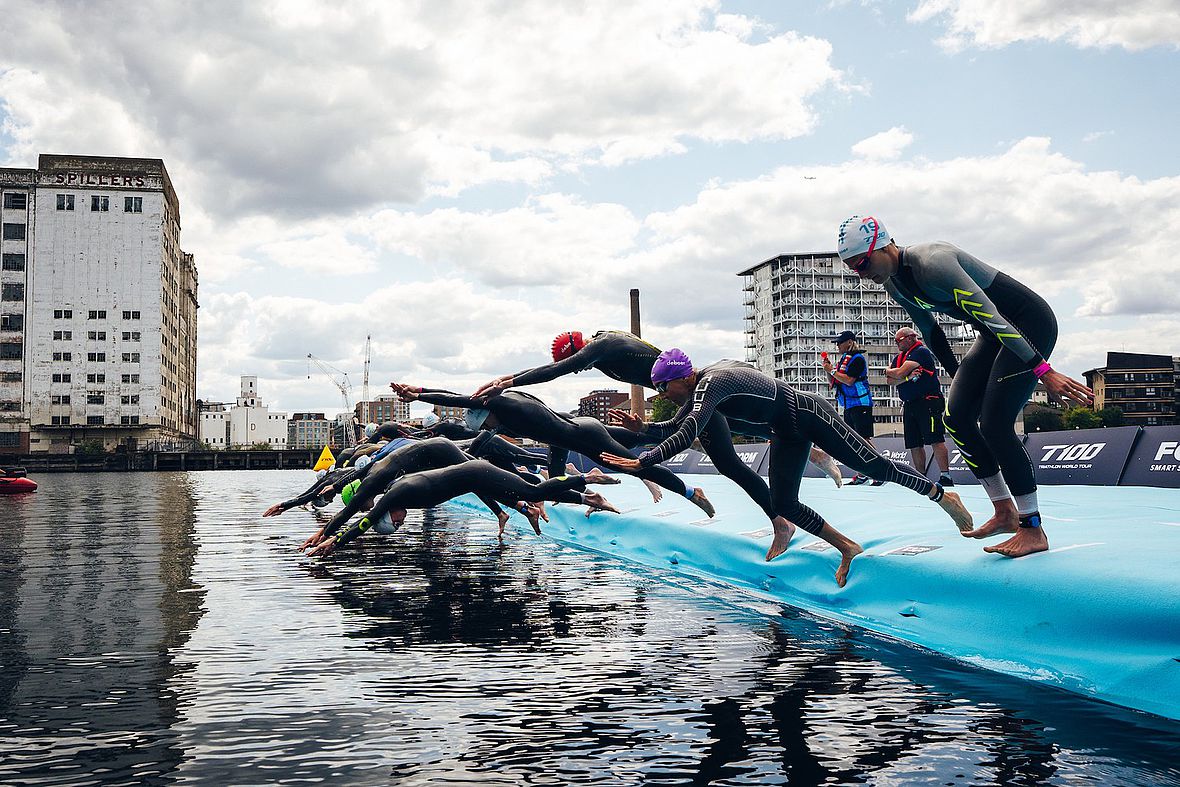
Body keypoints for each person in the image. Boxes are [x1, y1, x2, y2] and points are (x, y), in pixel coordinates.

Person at [601, 349, 974, 587]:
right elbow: (675, 427)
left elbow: (688, 432)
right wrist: (645, 431)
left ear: (683, 378)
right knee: (783, 504)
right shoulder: (699, 388)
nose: (664, 396)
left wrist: (645, 460)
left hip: (809, 414)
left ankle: (942, 494)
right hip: (785, 432)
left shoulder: (712, 383)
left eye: (665, 388)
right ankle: (847, 547)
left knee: (873, 466)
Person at [836, 215, 1093, 557]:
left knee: (996, 425)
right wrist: (959, 375)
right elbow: (931, 333)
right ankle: (1005, 511)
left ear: (883, 245)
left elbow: (992, 316)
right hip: (994, 334)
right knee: (956, 418)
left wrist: (1043, 370)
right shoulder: (894, 283)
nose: (862, 274)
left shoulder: (933, 262)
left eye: (863, 263)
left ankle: (1033, 529)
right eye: (854, 269)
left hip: (1027, 324)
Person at [472, 328, 843, 486]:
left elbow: (557, 370)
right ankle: (812, 452)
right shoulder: (600, 349)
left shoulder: (601, 347)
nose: (580, 367)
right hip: (678, 394)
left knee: (728, 461)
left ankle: (783, 519)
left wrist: (509, 381)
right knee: (740, 424)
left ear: (577, 349)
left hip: (684, 391)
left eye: (578, 360)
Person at [390, 382, 717, 516]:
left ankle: (691, 490)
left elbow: (460, 398)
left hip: (584, 436)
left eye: (486, 425)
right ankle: (595, 499)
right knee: (558, 481)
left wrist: (420, 393)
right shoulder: (508, 411)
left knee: (636, 462)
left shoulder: (506, 404)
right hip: (569, 438)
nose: (490, 431)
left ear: (487, 411)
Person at [305, 460, 621, 556]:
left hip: (476, 471)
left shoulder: (394, 495)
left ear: (390, 513)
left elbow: (363, 521)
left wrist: (334, 539)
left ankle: (584, 477)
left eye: (396, 524)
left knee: (534, 489)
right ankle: (586, 497)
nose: (401, 524)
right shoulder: (399, 498)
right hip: (474, 480)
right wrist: (511, 509)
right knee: (526, 496)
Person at [885, 327, 953, 486]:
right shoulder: (899, 357)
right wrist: (905, 377)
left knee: (936, 438)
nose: (896, 344)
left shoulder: (920, 352)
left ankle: (946, 476)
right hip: (910, 403)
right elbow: (890, 379)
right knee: (914, 443)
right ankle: (921, 476)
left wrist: (894, 373)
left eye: (898, 340)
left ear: (910, 338)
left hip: (927, 401)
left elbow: (898, 374)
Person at [822, 330, 880, 486]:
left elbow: (848, 381)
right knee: (855, 441)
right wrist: (828, 370)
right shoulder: (843, 360)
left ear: (849, 342)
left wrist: (832, 370)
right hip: (848, 405)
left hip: (861, 404)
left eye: (840, 342)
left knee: (864, 439)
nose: (837, 345)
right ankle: (862, 474)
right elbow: (833, 382)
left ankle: (881, 471)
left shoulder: (858, 359)